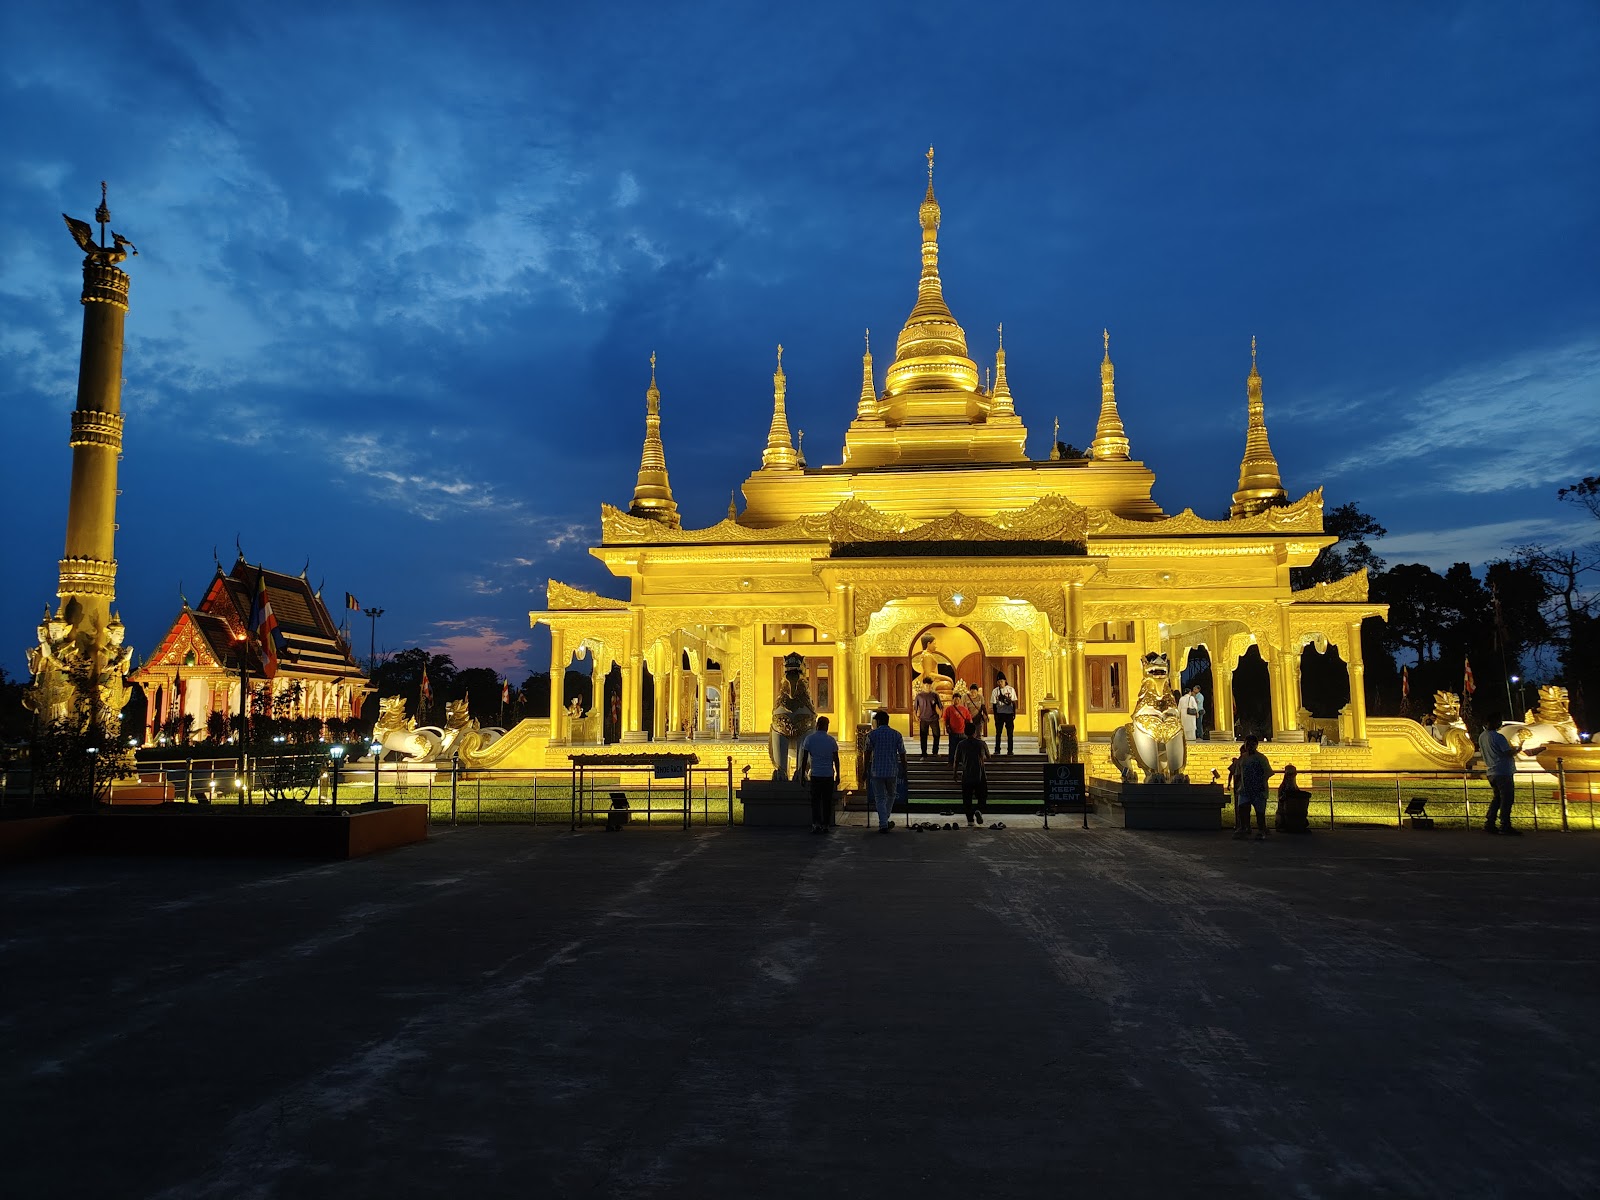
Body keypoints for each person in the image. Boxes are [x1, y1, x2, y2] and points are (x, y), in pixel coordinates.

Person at [1478, 712, 1522, 835]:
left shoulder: (1482, 736)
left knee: (1497, 798)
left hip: (1491, 771)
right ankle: (1505, 825)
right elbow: (1507, 752)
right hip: (1503, 771)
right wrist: (1517, 749)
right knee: (1506, 799)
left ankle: (1490, 823)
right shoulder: (1498, 737)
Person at [865, 708, 907, 832]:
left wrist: (865, 769)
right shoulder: (896, 734)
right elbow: (902, 753)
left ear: (878, 721)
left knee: (879, 797)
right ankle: (884, 821)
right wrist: (904, 768)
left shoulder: (872, 734)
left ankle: (883, 821)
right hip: (892, 770)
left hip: (877, 770)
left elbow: (867, 753)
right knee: (891, 795)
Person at [798, 715, 840, 835]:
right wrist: (838, 774)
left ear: (817, 725)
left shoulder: (809, 739)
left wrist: (802, 775)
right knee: (827, 801)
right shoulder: (831, 740)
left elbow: (804, 759)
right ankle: (826, 825)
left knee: (815, 801)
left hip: (815, 774)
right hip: (828, 774)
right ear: (827, 726)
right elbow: (836, 759)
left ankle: (816, 824)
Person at [1234, 735, 1274, 840]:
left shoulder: (1261, 758)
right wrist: (1237, 786)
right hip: (1245, 790)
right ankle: (1244, 828)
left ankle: (1261, 830)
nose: (1250, 746)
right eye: (1248, 744)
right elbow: (1238, 774)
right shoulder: (1242, 758)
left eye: (1252, 744)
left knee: (1260, 813)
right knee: (1243, 809)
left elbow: (1267, 773)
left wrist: (1261, 784)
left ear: (1256, 745)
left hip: (1259, 790)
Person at [955, 725, 989, 826]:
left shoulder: (961, 744)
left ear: (965, 733)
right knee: (982, 795)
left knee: (967, 798)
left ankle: (970, 820)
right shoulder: (981, 743)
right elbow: (988, 756)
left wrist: (954, 773)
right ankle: (978, 809)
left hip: (966, 774)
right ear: (975, 732)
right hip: (980, 774)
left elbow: (956, 760)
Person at [1275, 763, 1311, 834]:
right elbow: (1281, 798)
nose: (1291, 776)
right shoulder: (1284, 786)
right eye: (1289, 774)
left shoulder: (1292, 784)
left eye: (1292, 774)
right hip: (1285, 811)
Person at [913, 681, 942, 758]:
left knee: (936, 735)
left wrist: (940, 714)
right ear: (923, 685)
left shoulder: (935, 695)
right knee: (923, 736)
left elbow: (940, 706)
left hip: (934, 718)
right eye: (926, 685)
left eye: (929, 685)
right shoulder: (919, 696)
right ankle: (923, 753)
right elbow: (915, 708)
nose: (927, 687)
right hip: (923, 719)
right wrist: (916, 716)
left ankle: (935, 752)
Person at [991, 674, 1018, 755]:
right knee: (998, 733)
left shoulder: (1011, 689)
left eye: (1001, 681)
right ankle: (997, 750)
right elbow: (994, 704)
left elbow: (1014, 702)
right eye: (998, 682)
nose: (1000, 683)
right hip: (1000, 714)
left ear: (1005, 681)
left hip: (1009, 713)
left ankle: (1010, 750)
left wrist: (1014, 713)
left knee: (1010, 733)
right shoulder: (995, 691)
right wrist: (995, 716)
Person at [943, 694, 969, 771]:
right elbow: (945, 719)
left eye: (958, 699)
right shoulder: (949, 709)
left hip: (962, 732)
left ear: (960, 700)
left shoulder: (964, 709)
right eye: (955, 699)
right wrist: (946, 727)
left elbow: (968, 719)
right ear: (952, 700)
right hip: (953, 732)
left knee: (963, 748)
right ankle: (951, 761)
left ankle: (963, 761)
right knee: (952, 747)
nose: (956, 701)